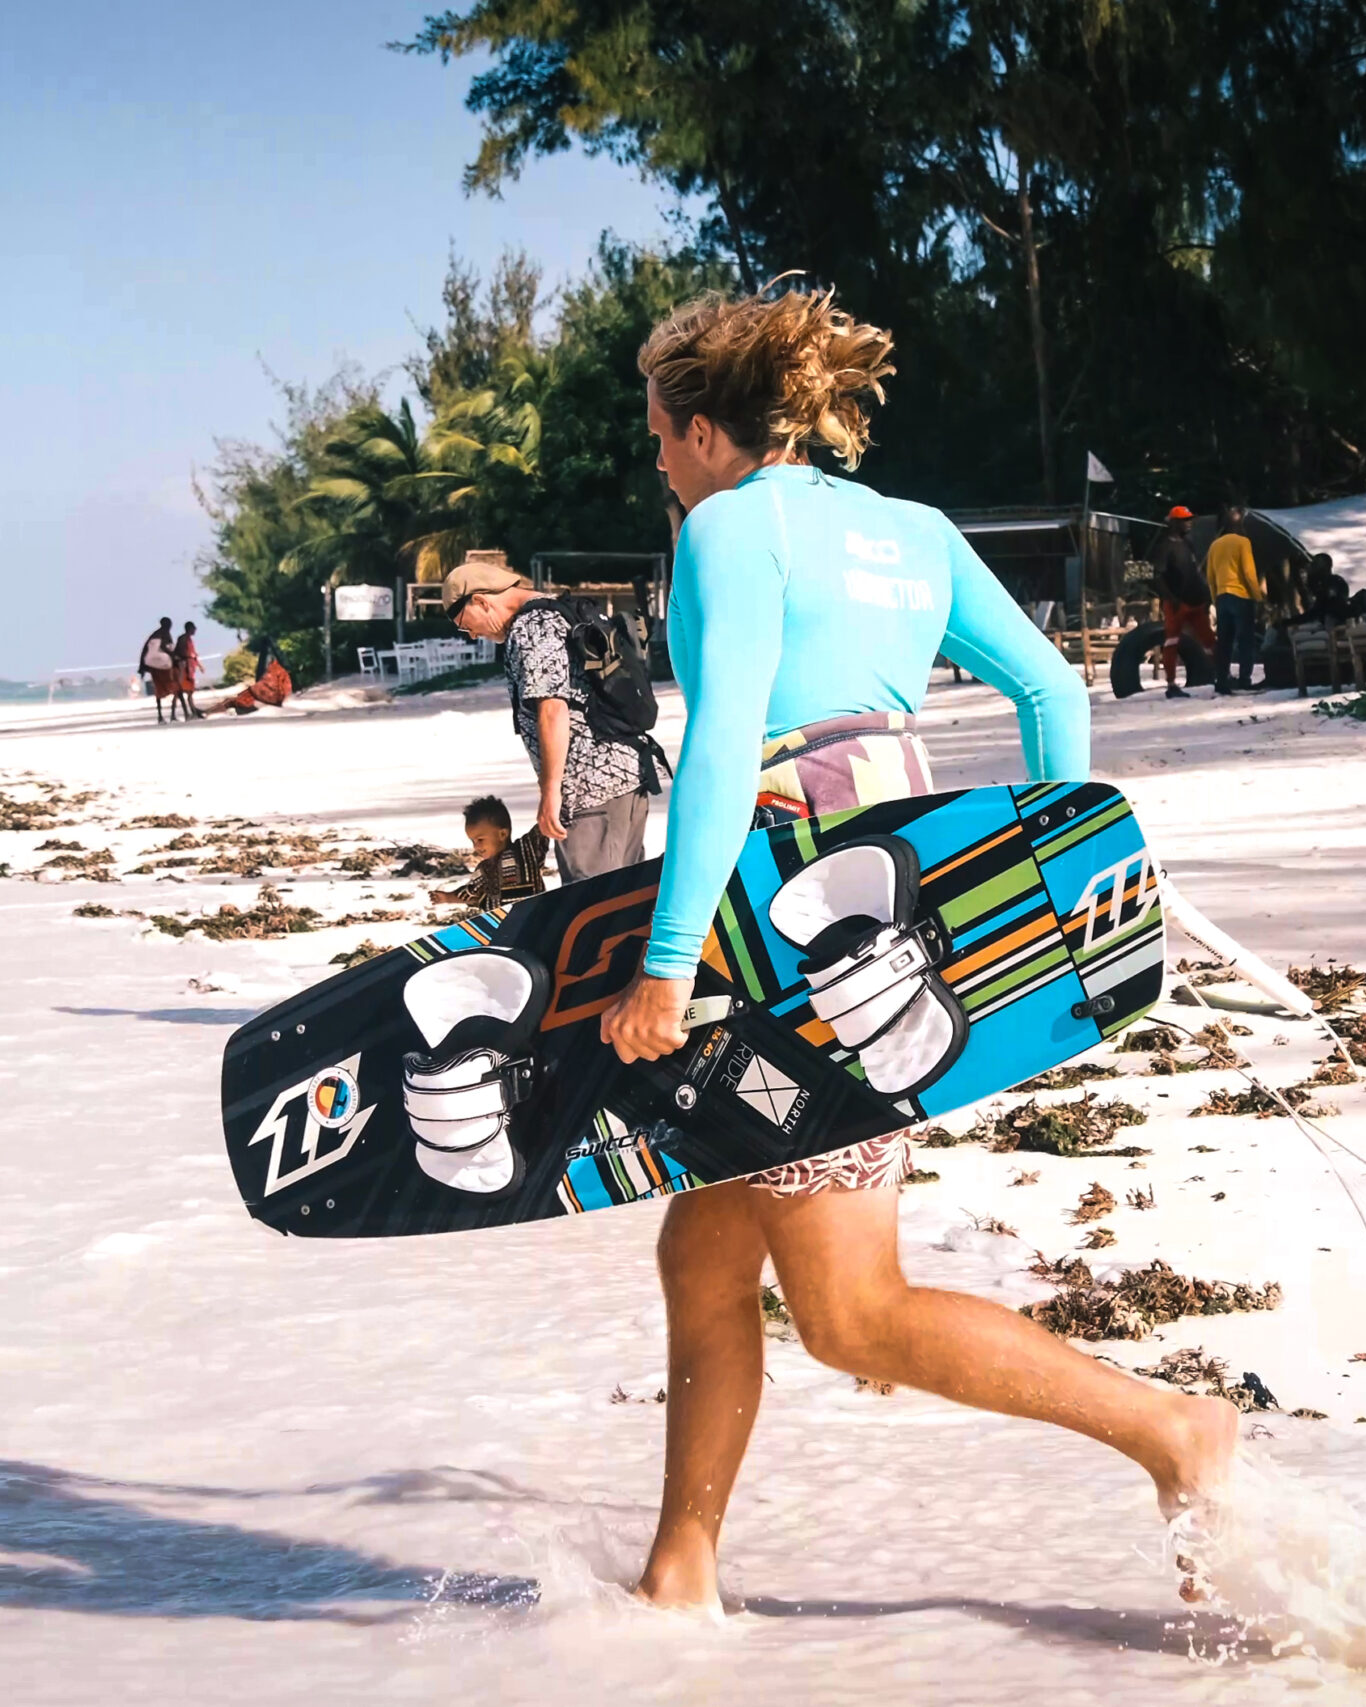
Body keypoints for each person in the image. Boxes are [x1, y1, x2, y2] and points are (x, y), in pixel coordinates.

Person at [590, 286, 1238, 1612]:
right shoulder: (915, 532)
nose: (655, 459)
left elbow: (722, 740)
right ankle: (681, 1570)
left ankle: (1175, 1432)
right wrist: (1055, 880)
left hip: (790, 927)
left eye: (658, 434)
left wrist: (664, 963)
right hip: (895, 895)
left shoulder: (726, 526)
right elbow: (1052, 690)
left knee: (850, 1310)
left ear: (706, 429)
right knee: (705, 1249)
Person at [442, 553, 650, 881]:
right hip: (625, 773)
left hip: (590, 788)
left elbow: (552, 708)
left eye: (466, 625)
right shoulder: (556, 609)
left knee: (592, 901)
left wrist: (552, 792)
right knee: (626, 898)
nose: (471, 635)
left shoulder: (531, 627)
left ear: (481, 601)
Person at [431, 795, 551, 912]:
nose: (476, 846)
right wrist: (447, 897)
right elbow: (471, 893)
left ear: (502, 834)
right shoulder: (484, 869)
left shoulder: (526, 849)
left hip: (535, 915)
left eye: (480, 840)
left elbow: (546, 824)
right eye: (472, 841)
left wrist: (553, 798)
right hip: (501, 924)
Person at [1155, 505, 1216, 699]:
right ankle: (1172, 684)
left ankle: (1221, 675)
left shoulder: (1188, 544)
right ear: (1174, 523)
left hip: (1196, 601)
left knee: (1209, 640)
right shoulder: (1165, 546)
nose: (1189, 523)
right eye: (1184, 520)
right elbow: (1157, 576)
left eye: (1189, 519)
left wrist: (1206, 595)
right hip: (1176, 603)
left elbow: (1195, 572)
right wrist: (1170, 599)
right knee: (1172, 642)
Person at [1204, 506, 1262, 695]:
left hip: (1222, 597)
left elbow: (1210, 576)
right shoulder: (1243, 542)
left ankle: (1221, 680)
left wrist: (1216, 598)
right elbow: (1248, 573)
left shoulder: (1214, 545)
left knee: (1224, 642)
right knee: (1245, 640)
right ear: (1241, 524)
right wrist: (1257, 596)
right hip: (1241, 596)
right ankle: (1244, 679)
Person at [140, 619, 177, 721]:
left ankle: (160, 716)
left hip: (151, 664)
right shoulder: (165, 633)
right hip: (163, 663)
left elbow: (144, 651)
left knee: (158, 688)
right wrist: (173, 655)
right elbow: (167, 647)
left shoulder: (153, 634)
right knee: (174, 686)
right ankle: (172, 715)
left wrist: (142, 667)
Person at [170, 622, 205, 722]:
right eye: (193, 628)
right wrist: (188, 657)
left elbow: (193, 655)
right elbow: (180, 653)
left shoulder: (189, 639)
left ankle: (192, 713)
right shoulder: (182, 639)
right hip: (183, 668)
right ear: (189, 628)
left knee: (189, 692)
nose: (195, 630)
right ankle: (175, 714)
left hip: (190, 668)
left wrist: (200, 666)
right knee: (178, 692)